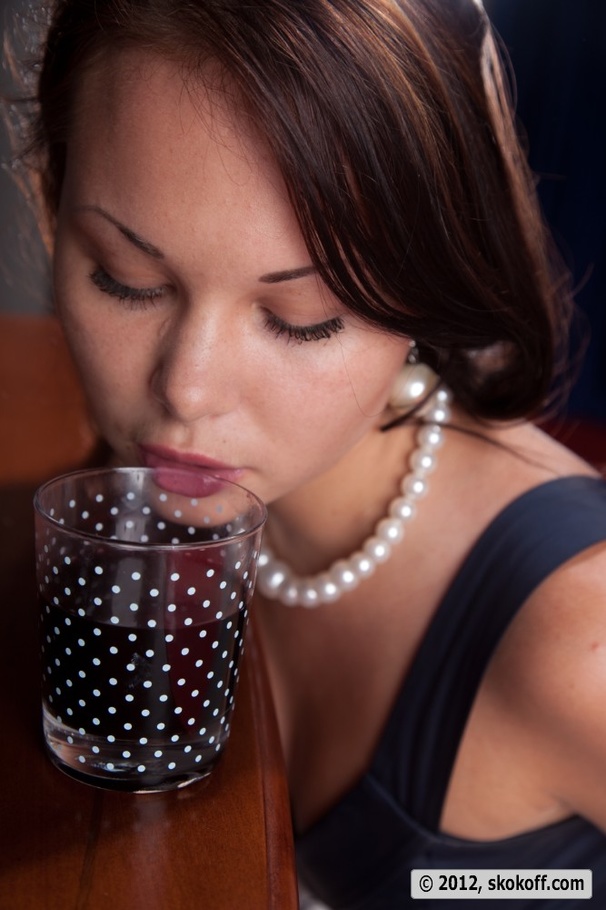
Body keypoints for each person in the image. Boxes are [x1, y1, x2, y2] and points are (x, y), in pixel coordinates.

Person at [11, 0, 606, 906]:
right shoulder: (127, 505)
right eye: (127, 283)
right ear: (51, 202)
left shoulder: (578, 643)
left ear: (423, 295)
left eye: (305, 317)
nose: (186, 389)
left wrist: (509, 892)